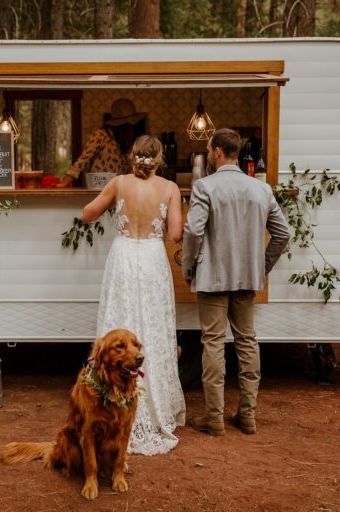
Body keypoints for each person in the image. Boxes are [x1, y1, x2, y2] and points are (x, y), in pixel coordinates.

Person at [80, 135, 186, 455]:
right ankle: (155, 406)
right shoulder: (169, 189)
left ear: (131, 155)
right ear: (159, 160)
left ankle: (108, 399)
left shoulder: (119, 183)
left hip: (124, 257)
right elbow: (176, 234)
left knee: (120, 319)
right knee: (152, 325)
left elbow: (87, 214)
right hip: (153, 258)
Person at [181, 128, 289, 437]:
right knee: (246, 341)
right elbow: (283, 234)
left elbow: (193, 231)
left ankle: (214, 417)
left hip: (212, 277)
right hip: (247, 278)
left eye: (209, 149)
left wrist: (189, 266)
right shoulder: (261, 189)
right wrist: (262, 266)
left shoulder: (205, 187)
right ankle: (248, 415)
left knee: (213, 342)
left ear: (216, 153)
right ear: (236, 153)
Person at [58, 98, 145, 188]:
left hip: (118, 189)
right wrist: (65, 181)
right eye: (130, 125)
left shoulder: (125, 142)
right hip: (100, 189)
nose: (132, 128)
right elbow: (83, 159)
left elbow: (129, 169)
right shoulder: (100, 135)